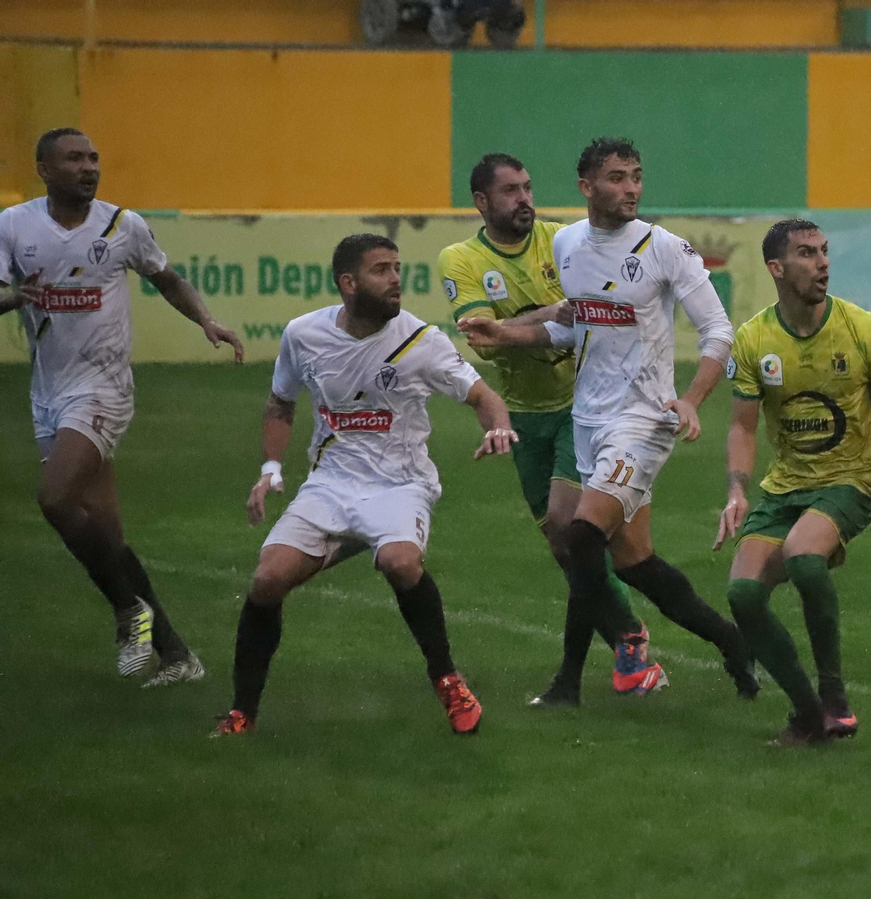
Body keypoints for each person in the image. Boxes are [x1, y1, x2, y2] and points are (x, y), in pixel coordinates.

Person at [461, 137, 757, 701]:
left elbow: (721, 333)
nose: (631, 188)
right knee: (636, 562)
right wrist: (509, 333)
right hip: (589, 419)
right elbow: (575, 326)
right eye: (618, 177)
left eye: (636, 176)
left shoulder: (664, 247)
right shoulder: (569, 243)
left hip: (644, 420)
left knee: (580, 540)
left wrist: (691, 398)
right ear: (587, 187)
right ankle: (732, 643)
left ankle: (567, 682)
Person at [211, 234, 517, 736]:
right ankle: (242, 712)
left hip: (400, 484)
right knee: (267, 581)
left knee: (399, 561)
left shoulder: (421, 341)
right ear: (348, 283)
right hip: (330, 484)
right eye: (381, 269)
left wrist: (497, 427)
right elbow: (280, 402)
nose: (395, 278)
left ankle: (447, 679)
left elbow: (483, 395)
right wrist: (270, 471)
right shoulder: (303, 334)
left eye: (397, 267)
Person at [0, 127, 243, 686]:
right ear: (43, 170)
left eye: (94, 158)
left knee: (56, 499)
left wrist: (205, 319)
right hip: (47, 390)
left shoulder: (121, 225)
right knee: (105, 534)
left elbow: (168, 278)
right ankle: (178, 655)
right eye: (74, 159)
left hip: (102, 387)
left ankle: (127, 611)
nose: (89, 167)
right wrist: (17, 297)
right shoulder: (14, 226)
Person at [440, 152, 656, 707]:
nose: (525, 199)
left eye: (529, 187)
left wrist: (547, 316)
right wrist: (552, 312)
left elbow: (594, 309)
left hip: (584, 407)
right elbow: (482, 337)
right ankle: (627, 637)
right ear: (482, 202)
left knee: (570, 524)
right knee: (564, 548)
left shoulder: (563, 240)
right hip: (523, 417)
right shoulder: (460, 258)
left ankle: (626, 641)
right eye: (511, 191)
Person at [714, 219, 871, 745]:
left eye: (825, 251)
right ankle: (807, 714)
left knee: (804, 558)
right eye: (807, 253)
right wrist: (737, 490)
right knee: (742, 596)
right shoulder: (753, 339)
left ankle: (835, 698)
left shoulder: (864, 330)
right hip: (785, 487)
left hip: (849, 483)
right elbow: (742, 426)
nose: (822, 262)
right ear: (776, 268)